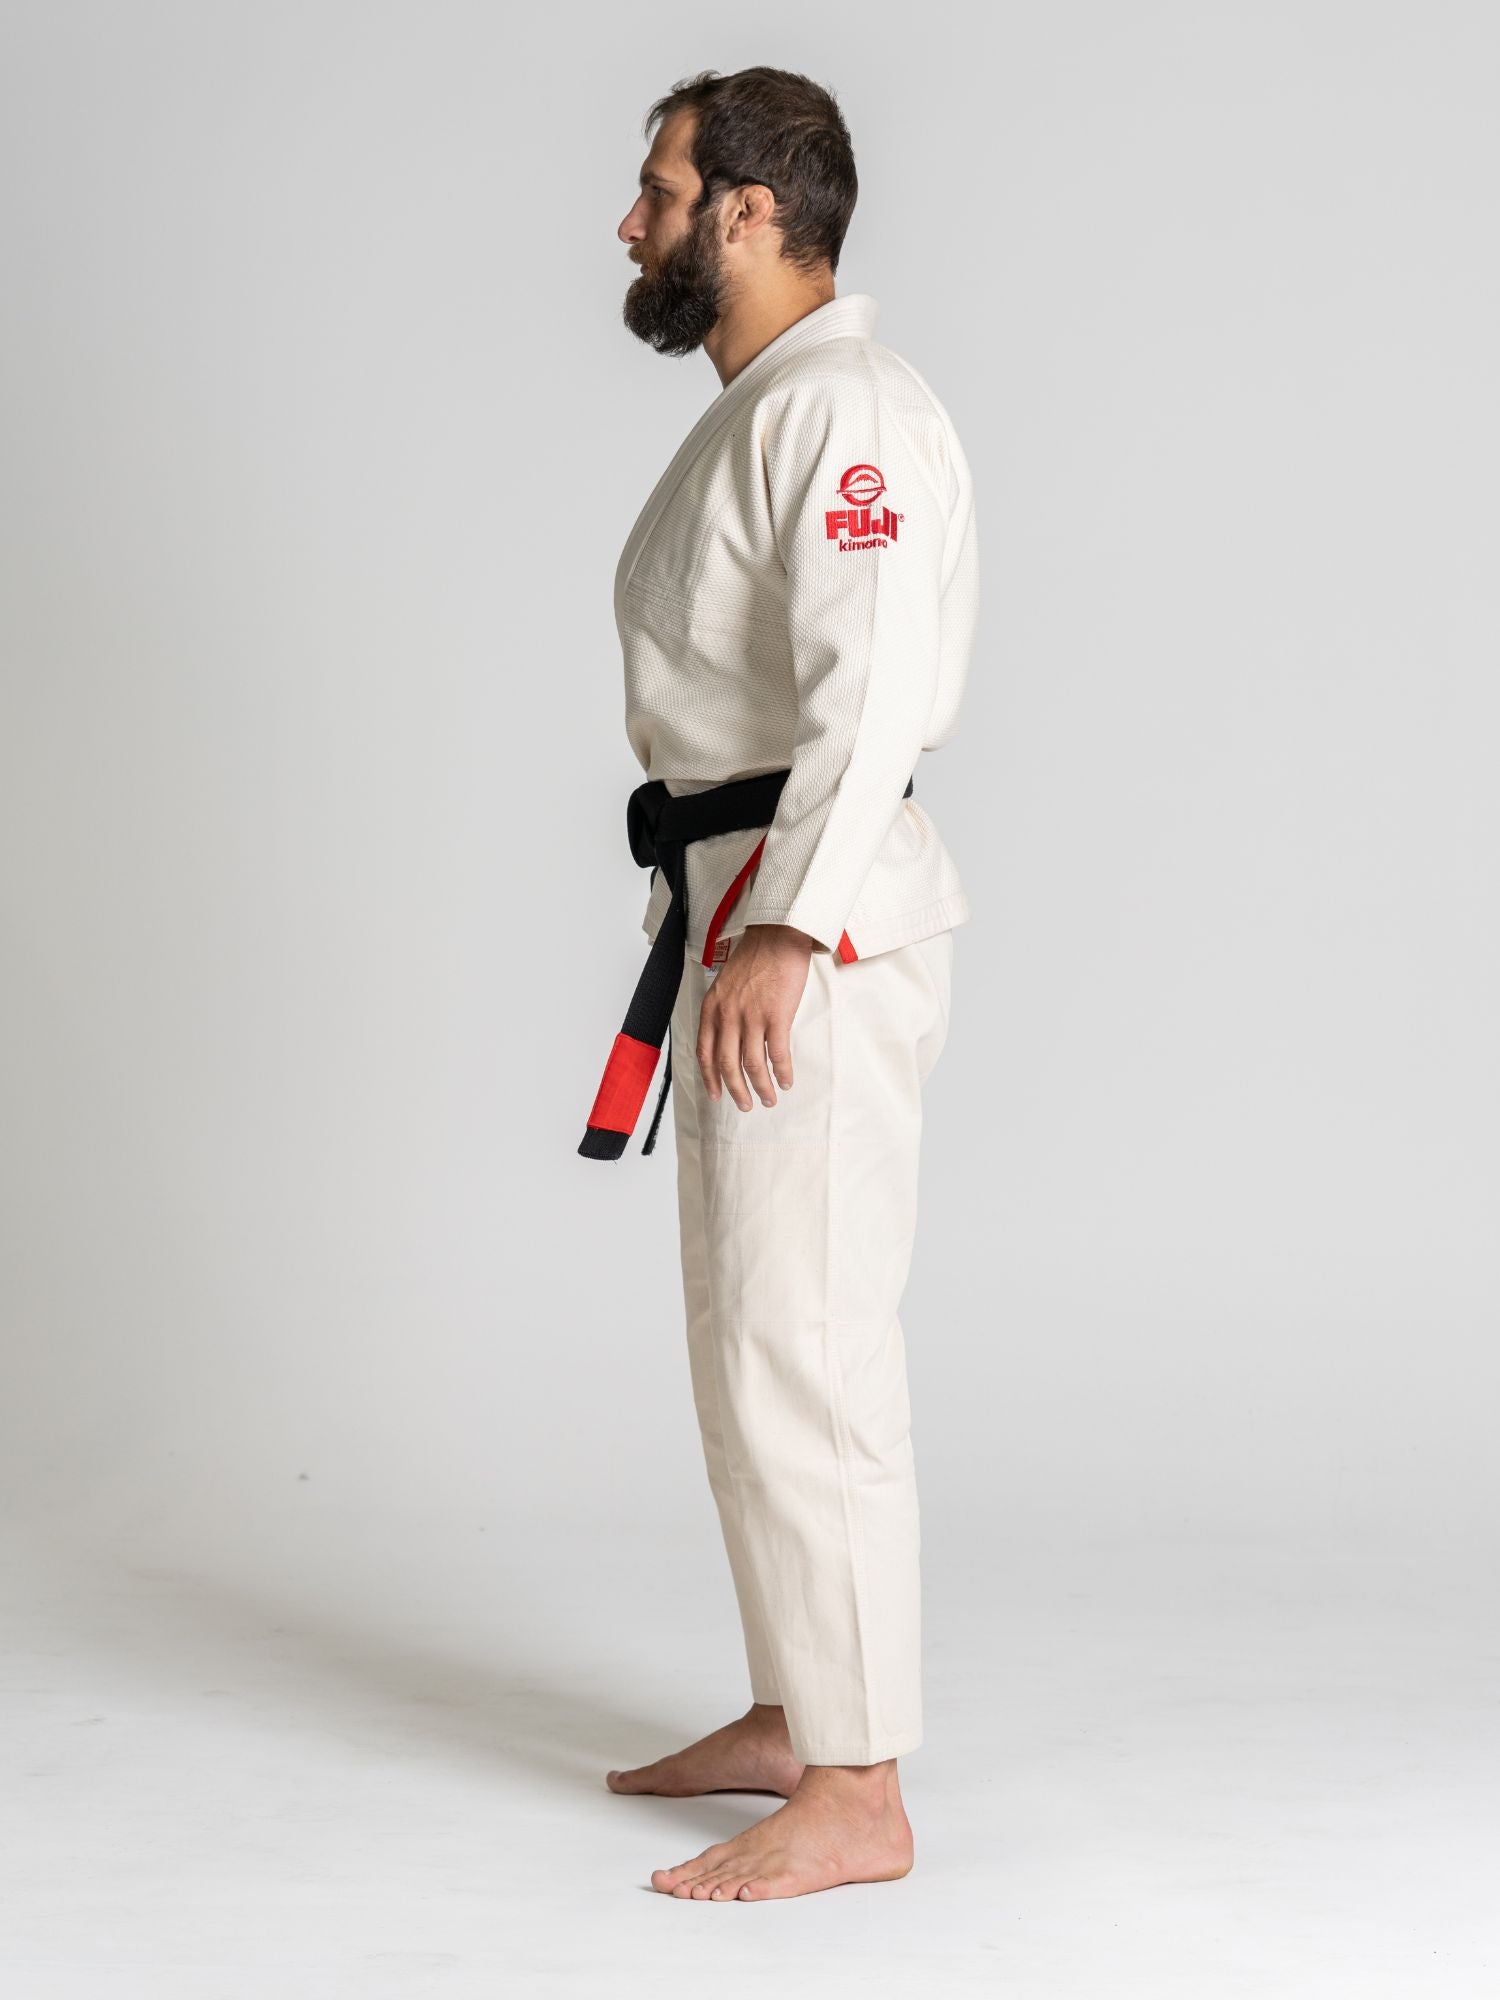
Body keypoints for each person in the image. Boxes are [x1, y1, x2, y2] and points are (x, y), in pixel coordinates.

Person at [589, 66, 978, 1902]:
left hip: (806, 924)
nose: (634, 223)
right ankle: (793, 1705)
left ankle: (860, 1787)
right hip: (749, 899)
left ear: (749, 211)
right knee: (746, 1334)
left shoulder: (854, 413)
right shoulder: (774, 409)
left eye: (660, 191)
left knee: (806, 1342)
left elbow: (874, 687)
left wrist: (784, 926)